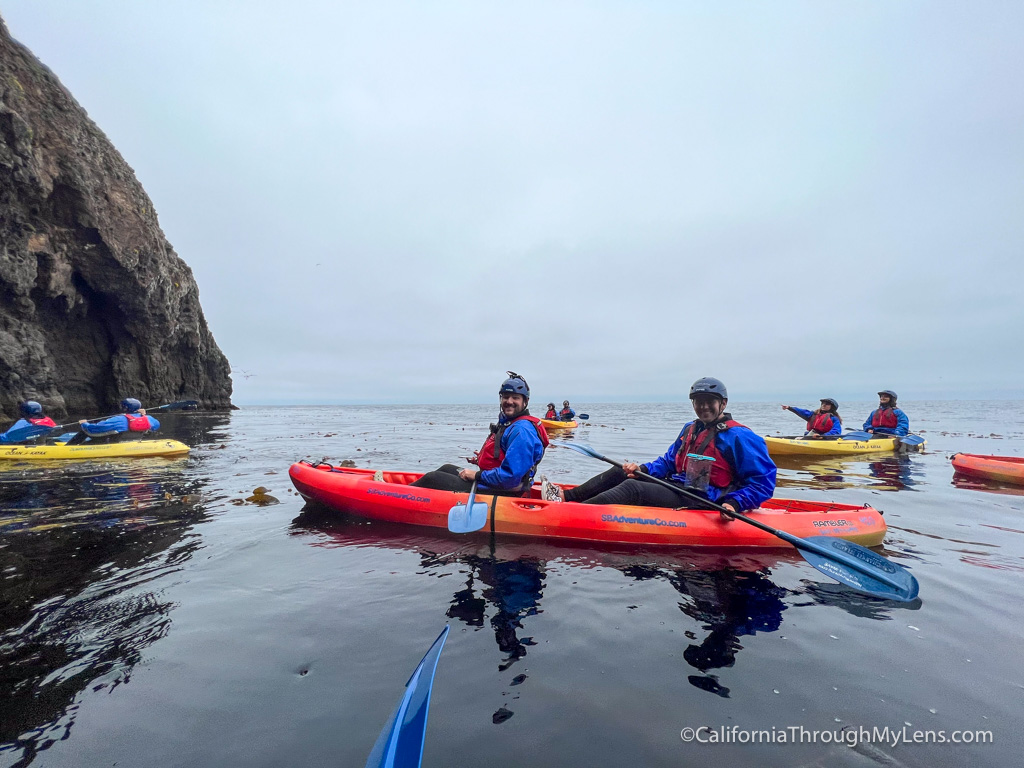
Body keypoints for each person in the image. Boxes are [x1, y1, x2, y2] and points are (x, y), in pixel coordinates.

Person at [545, 377, 776, 516]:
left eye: (709, 402)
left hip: (707, 499)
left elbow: (764, 482)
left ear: (723, 403)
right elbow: (668, 462)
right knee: (622, 472)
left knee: (633, 489)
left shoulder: (740, 437)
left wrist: (735, 502)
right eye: (698, 402)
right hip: (681, 487)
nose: (703, 407)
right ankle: (567, 497)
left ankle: (572, 514)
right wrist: (643, 470)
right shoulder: (690, 428)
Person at [409, 372, 549, 496]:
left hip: (505, 490)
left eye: (515, 398)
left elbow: (510, 477)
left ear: (525, 401)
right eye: (505, 397)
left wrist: (476, 475)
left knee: (433, 478)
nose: (509, 402)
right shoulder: (512, 424)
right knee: (447, 468)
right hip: (499, 484)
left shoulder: (522, 431)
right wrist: (482, 460)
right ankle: (406, 492)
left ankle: (396, 494)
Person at [66, 398, 161, 444]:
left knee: (84, 431)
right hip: (130, 442)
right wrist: (143, 415)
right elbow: (156, 425)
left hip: (114, 443)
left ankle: (69, 448)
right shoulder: (148, 418)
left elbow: (96, 429)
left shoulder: (118, 419)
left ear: (125, 408)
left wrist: (84, 424)